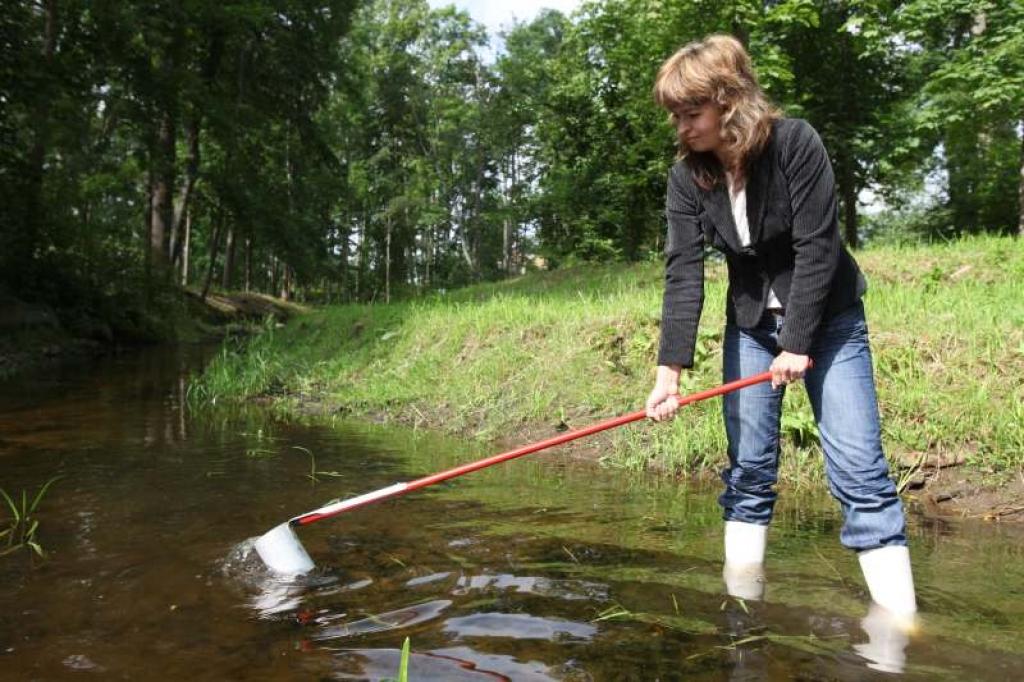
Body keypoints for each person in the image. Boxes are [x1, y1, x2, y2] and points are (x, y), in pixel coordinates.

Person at [644, 34, 917, 630]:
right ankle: (743, 611)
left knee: (858, 471)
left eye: (691, 113)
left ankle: (900, 628)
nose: (681, 127)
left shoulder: (795, 143)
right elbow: (683, 272)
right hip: (749, 328)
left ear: (727, 100)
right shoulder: (688, 177)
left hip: (830, 324)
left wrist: (797, 342)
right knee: (747, 470)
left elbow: (819, 245)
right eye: (676, 116)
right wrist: (669, 375)